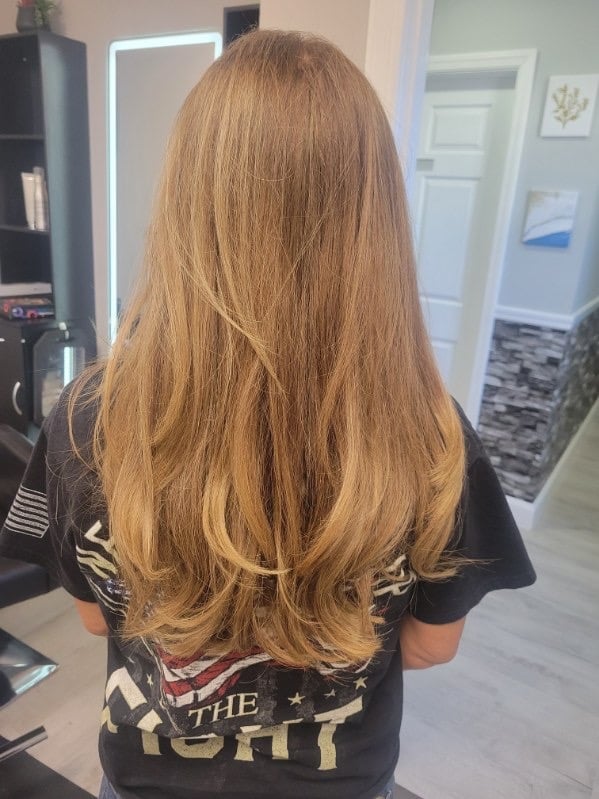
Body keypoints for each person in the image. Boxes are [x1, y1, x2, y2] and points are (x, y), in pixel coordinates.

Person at [0, 29, 535, 799]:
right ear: (373, 220)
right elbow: (429, 645)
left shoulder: (90, 416)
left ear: (186, 202)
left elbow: (95, 620)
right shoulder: (430, 433)